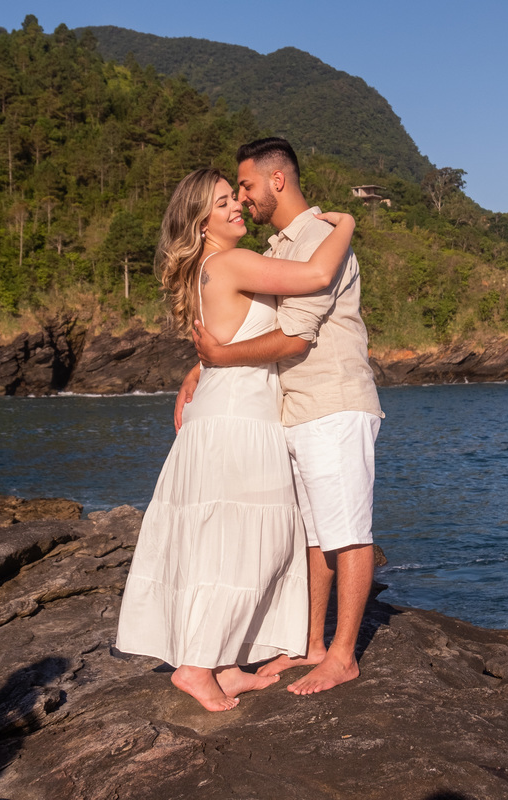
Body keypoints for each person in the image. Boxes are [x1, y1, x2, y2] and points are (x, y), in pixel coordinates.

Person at [115, 167, 357, 712]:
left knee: (221, 540)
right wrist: (345, 220)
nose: (236, 208)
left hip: (220, 415)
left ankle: (223, 664)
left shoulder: (203, 271)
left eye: (235, 198)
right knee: (252, 545)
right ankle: (197, 668)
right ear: (201, 221)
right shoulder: (232, 262)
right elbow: (319, 274)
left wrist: (196, 372)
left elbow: (219, 345)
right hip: (239, 423)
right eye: (222, 203)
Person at [178, 138, 384, 696]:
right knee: (316, 534)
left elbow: (296, 336)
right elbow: (244, 322)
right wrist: (203, 368)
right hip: (292, 408)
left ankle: (342, 656)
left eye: (244, 186)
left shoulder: (318, 238)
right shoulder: (280, 246)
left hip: (332, 401)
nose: (241, 199)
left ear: (276, 180)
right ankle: (313, 645)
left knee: (347, 531)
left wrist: (220, 359)